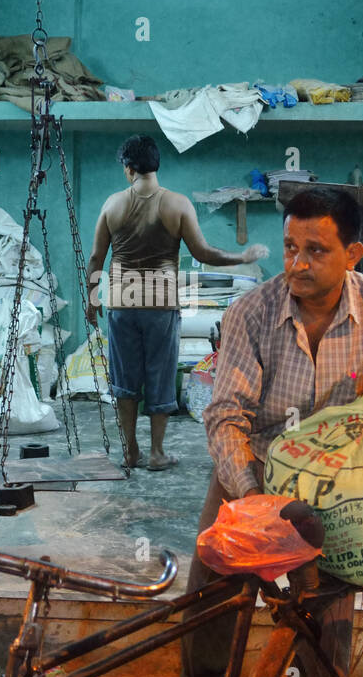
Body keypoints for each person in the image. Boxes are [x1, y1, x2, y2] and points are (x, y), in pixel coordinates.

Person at [152, 184, 363, 677]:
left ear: (354, 254)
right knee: (214, 573)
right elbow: (226, 414)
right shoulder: (252, 312)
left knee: (324, 608)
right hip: (255, 464)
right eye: (289, 247)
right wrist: (253, 501)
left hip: (339, 480)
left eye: (317, 250)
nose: (298, 264)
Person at [86, 135, 268, 471]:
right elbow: (203, 253)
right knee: (160, 377)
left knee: (125, 382)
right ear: (156, 165)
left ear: (128, 169)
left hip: (123, 305)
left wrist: (92, 300)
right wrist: (241, 256)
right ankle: (156, 453)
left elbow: (97, 256)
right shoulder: (178, 204)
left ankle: (130, 452)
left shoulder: (112, 204)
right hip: (160, 305)